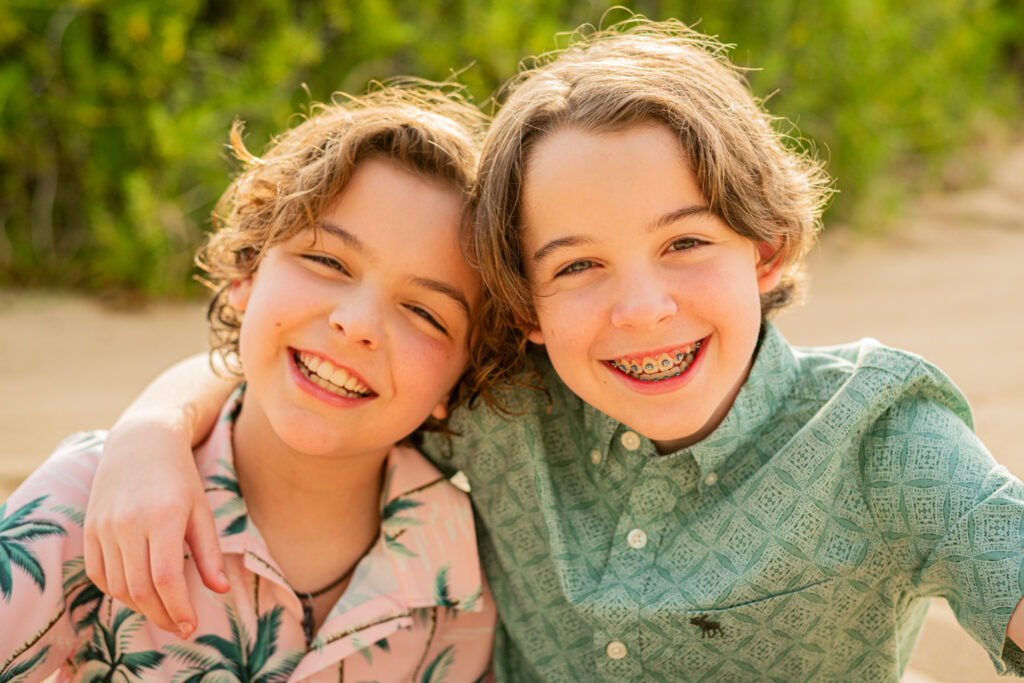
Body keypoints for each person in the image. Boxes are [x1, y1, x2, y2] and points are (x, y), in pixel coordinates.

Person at [80, 18, 1024, 682]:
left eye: (685, 243)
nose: (642, 309)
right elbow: (323, 368)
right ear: (524, 306)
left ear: (765, 248)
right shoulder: (503, 408)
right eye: (576, 268)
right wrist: (150, 433)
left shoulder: (883, 438)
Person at [0, 86, 495, 682]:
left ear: (460, 379)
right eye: (329, 262)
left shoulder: (467, 572)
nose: (357, 324)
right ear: (247, 272)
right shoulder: (91, 499)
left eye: (425, 313)